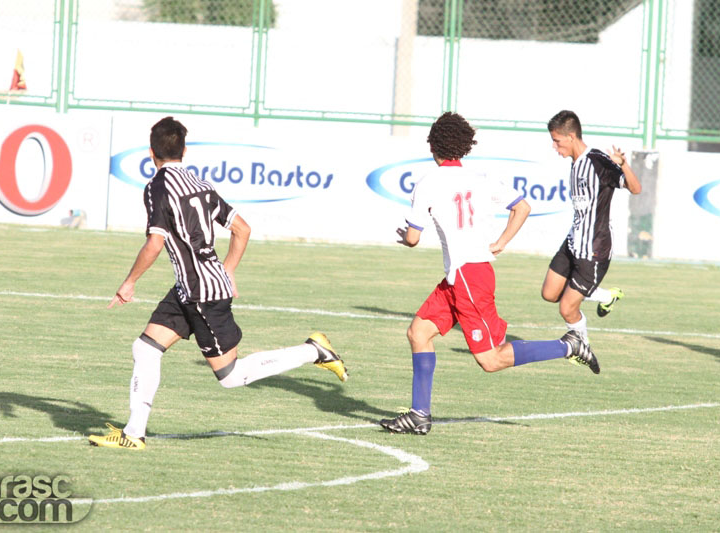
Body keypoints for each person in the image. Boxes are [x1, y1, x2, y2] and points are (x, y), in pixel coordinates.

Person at [89, 117, 347, 450]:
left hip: (201, 296)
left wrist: (129, 283)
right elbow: (243, 229)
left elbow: (155, 243)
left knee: (230, 377)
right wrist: (228, 270)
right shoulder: (200, 184)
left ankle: (313, 350)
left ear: (151, 153)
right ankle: (134, 433)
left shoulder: (156, 187)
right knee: (145, 348)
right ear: (185, 150)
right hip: (189, 289)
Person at [380, 112, 599, 436]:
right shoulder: (480, 178)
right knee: (419, 333)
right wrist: (502, 241)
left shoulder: (428, 182)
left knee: (491, 360)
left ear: (434, 146)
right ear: (462, 146)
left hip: (469, 278)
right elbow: (522, 206)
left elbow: (412, 238)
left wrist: (405, 237)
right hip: (461, 275)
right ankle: (419, 414)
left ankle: (569, 345)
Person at [542, 110, 642, 344]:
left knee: (567, 308)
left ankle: (582, 346)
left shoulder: (597, 161)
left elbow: (635, 188)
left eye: (556, 141)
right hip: (572, 241)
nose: (555, 147)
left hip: (594, 249)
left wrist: (624, 164)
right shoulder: (576, 163)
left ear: (571, 136)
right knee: (549, 293)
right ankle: (606, 296)